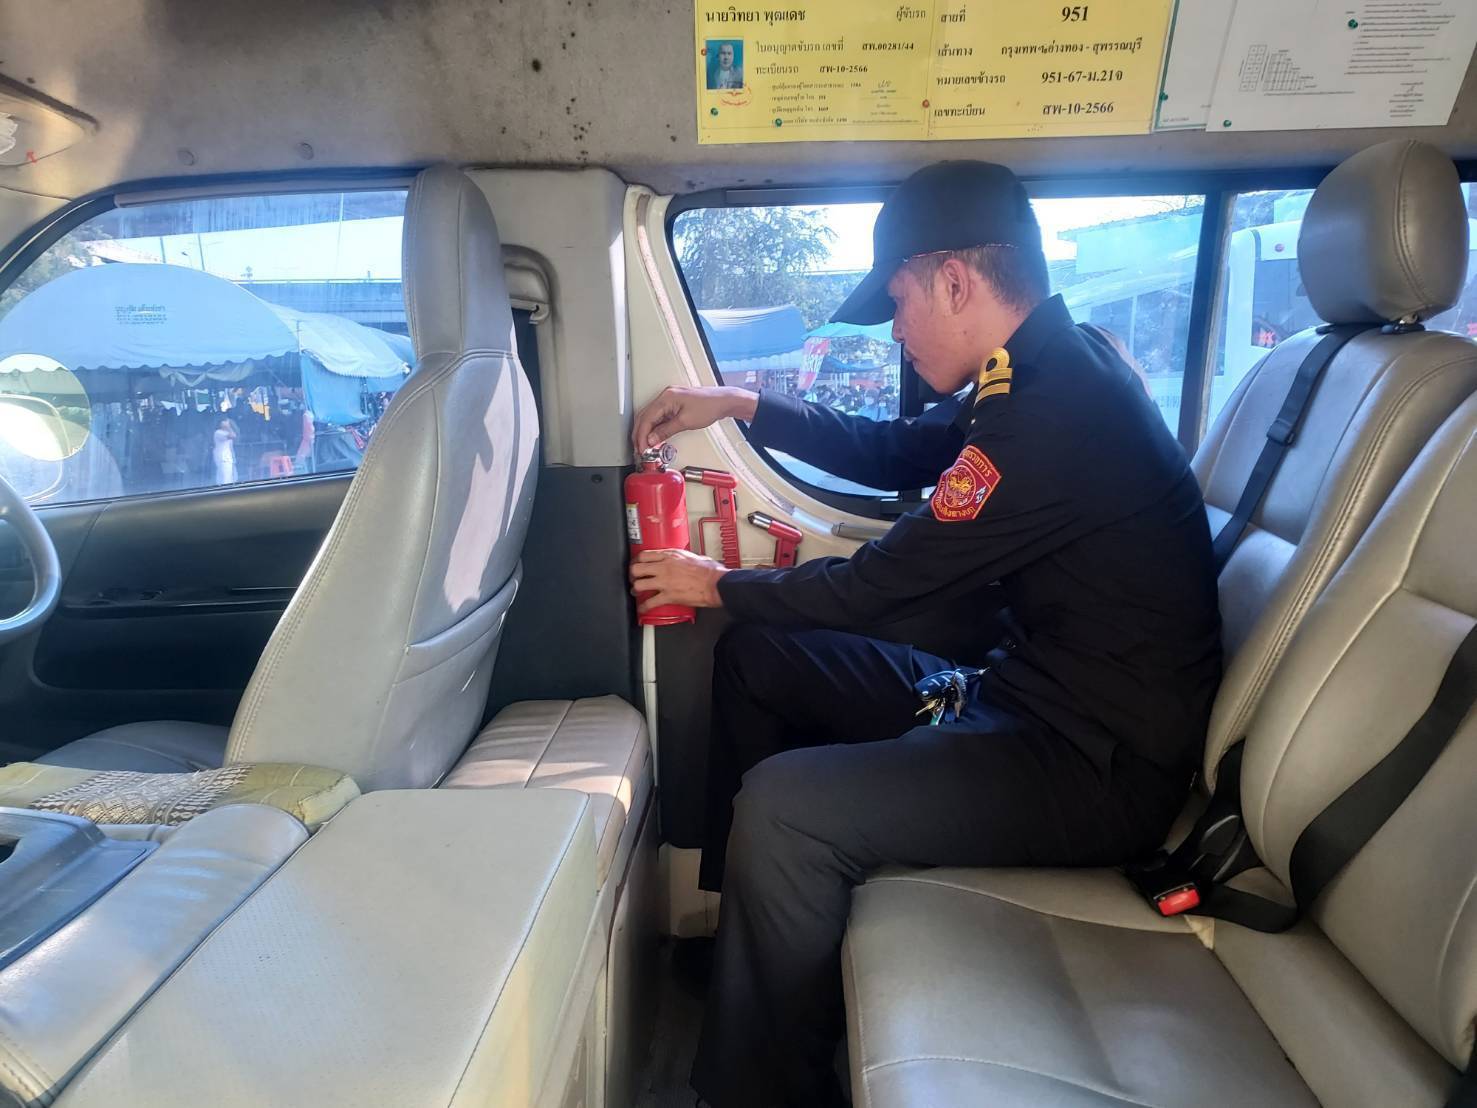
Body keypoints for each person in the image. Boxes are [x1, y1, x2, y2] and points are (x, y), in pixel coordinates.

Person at [628, 160, 1223, 1108]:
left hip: (1088, 766)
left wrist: (718, 583)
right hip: (1015, 698)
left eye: (899, 302)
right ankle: (757, 943)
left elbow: (881, 585)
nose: (896, 330)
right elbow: (897, 450)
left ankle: (766, 1088)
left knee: (783, 808)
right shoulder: (1039, 371)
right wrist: (741, 404)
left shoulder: (1054, 412)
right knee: (759, 659)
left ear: (953, 282)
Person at [212, 417, 238, 485]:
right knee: (225, 478)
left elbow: (235, 436)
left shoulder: (226, 432)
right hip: (223, 459)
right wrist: (228, 427)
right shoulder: (218, 432)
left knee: (230, 477)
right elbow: (233, 436)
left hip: (228, 458)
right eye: (225, 421)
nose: (227, 423)